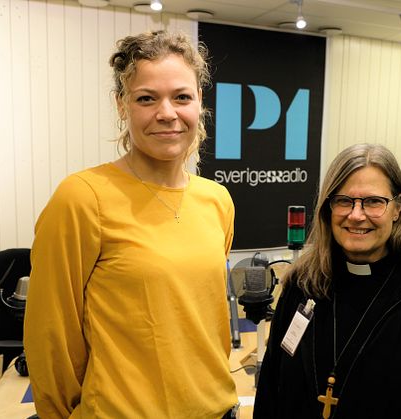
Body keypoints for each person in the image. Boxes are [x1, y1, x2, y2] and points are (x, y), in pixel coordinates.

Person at [24, 31, 238, 418]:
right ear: (122, 105)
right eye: (146, 98)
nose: (167, 113)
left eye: (182, 96)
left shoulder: (217, 201)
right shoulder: (82, 197)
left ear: (200, 102)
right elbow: (51, 336)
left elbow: (206, 323)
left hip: (217, 409)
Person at [255, 143, 401, 418]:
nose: (356, 215)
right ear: (328, 208)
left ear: (398, 209)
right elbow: (270, 388)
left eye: (374, 201)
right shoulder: (303, 286)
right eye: (344, 201)